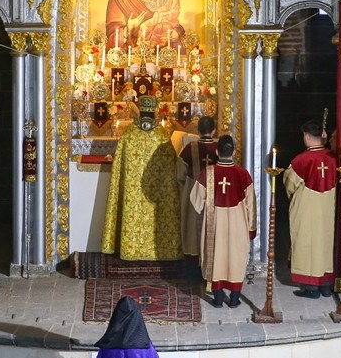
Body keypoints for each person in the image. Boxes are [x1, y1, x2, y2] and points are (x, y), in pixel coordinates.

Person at [102, 95, 185, 261]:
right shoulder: (161, 134)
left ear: (140, 110)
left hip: (133, 194)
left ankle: (130, 249)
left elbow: (119, 163)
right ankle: (162, 249)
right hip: (157, 193)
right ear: (154, 111)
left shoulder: (130, 133)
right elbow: (171, 162)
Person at [190, 135, 256, 308]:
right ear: (234, 152)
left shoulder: (207, 173)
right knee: (236, 259)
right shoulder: (243, 174)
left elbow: (196, 200)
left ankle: (218, 299)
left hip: (215, 225)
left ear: (217, 152)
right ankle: (234, 300)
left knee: (216, 259)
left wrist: (204, 213)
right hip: (238, 225)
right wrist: (251, 227)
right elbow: (251, 204)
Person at [284, 119, 338, 298]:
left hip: (307, 209)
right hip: (327, 208)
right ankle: (325, 284)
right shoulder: (333, 158)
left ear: (307, 136)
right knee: (325, 242)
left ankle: (311, 288)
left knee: (307, 243)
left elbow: (289, 184)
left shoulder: (301, 161)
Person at [178, 116, 218, 261]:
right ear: (214, 131)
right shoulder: (219, 149)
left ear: (198, 130)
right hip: (215, 195)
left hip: (193, 192)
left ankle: (193, 262)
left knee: (192, 230)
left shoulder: (190, 148)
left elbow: (180, 175)